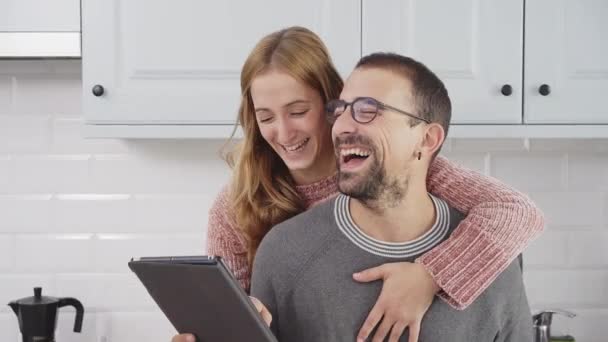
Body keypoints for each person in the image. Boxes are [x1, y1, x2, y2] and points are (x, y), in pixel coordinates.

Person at [172, 27, 543, 342]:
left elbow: (515, 210)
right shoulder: (242, 207)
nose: (283, 132)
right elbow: (231, 320)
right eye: (265, 117)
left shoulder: (408, 168)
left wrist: (430, 275)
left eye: (299, 111)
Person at [251, 52, 533, 342]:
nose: (343, 126)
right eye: (340, 110)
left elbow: (519, 210)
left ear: (426, 139)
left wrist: (431, 275)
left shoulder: (490, 257)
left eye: (368, 109)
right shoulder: (283, 253)